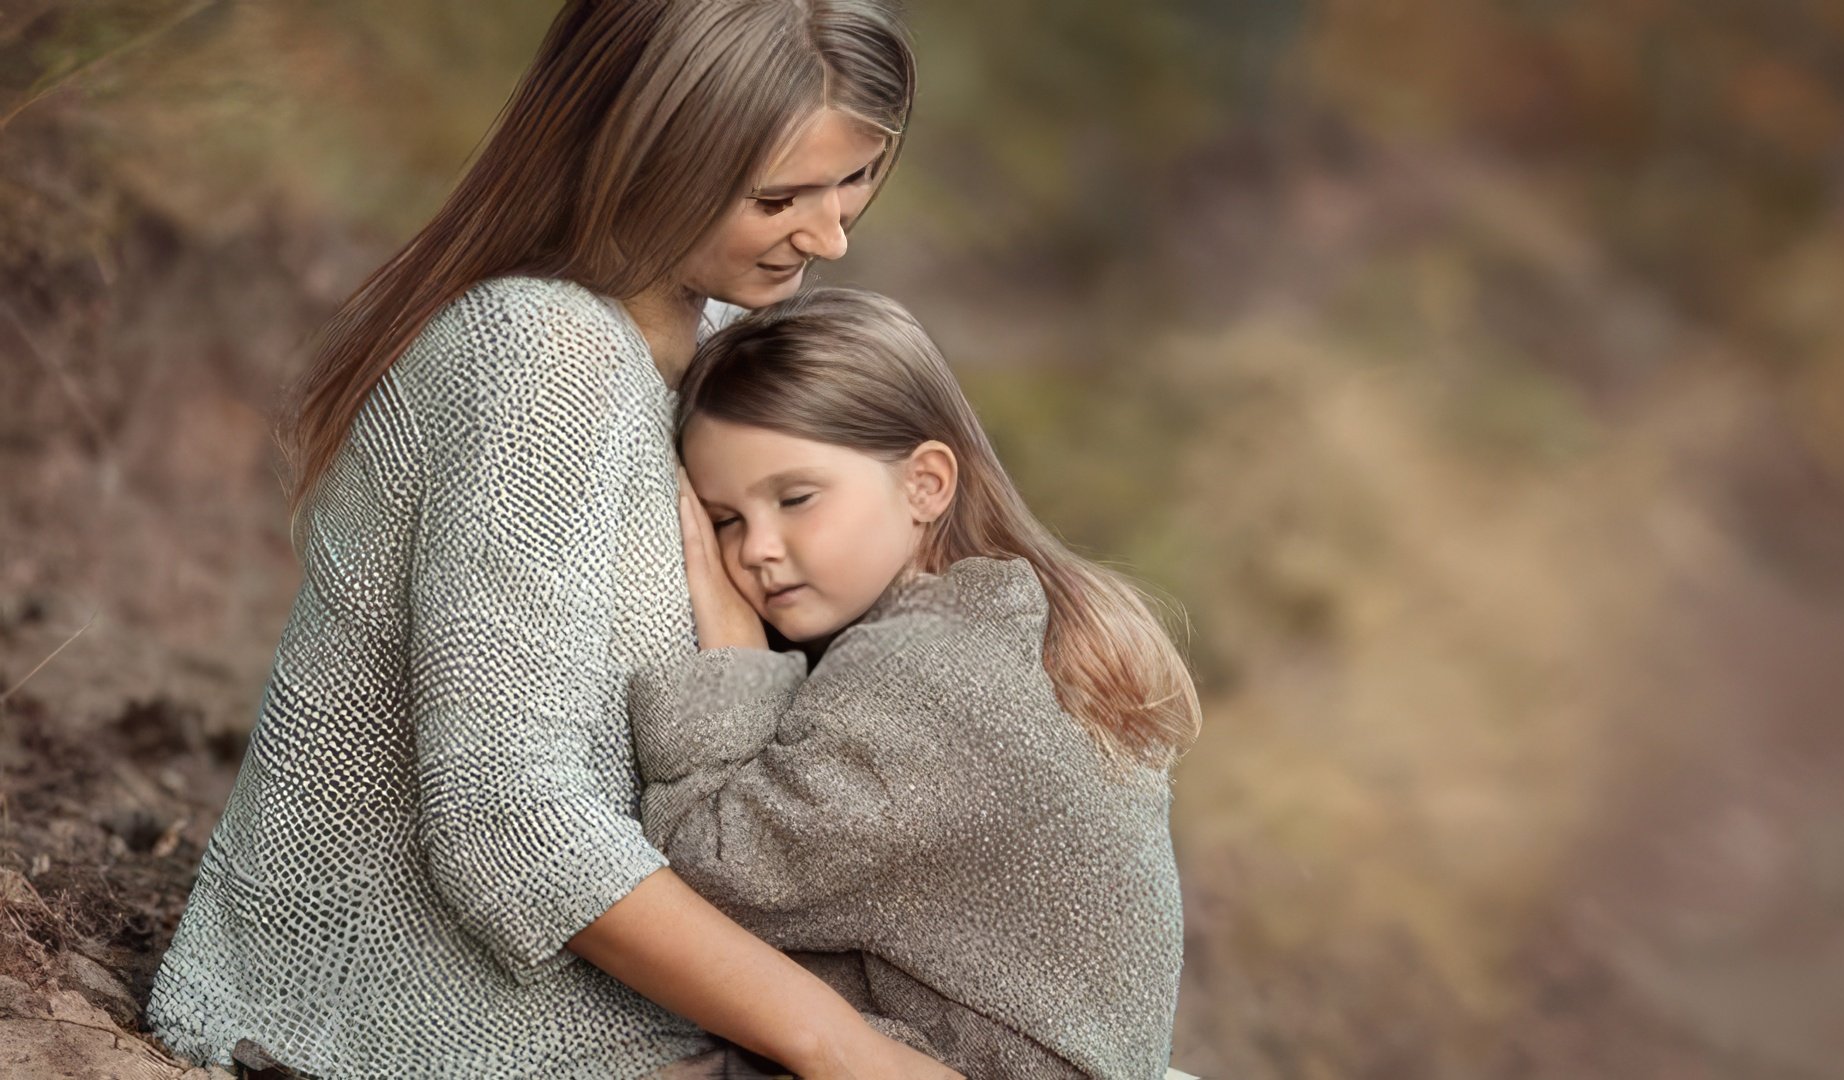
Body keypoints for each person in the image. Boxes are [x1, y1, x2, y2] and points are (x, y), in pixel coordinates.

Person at [145, 2, 960, 1077]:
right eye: (779, 198)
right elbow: (507, 826)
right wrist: (839, 1046)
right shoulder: (541, 358)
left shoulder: (721, 352)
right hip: (411, 1021)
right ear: (642, 155)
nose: (833, 236)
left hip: (657, 996)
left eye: (855, 179)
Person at [638, 288, 1201, 1079]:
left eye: (794, 499)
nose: (757, 548)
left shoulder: (920, 673)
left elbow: (702, 881)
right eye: (726, 520)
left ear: (926, 483)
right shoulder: (1013, 618)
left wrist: (731, 670)